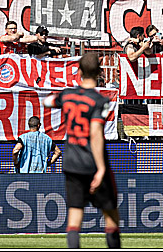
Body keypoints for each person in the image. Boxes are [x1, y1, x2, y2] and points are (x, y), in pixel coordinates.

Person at [45, 52, 120, 249]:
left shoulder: (67, 95)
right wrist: (101, 169)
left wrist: (63, 99)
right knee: (111, 214)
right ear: (100, 73)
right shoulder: (100, 101)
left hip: (71, 162)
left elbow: (48, 102)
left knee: (75, 214)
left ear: (79, 72)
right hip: (92, 163)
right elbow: (95, 133)